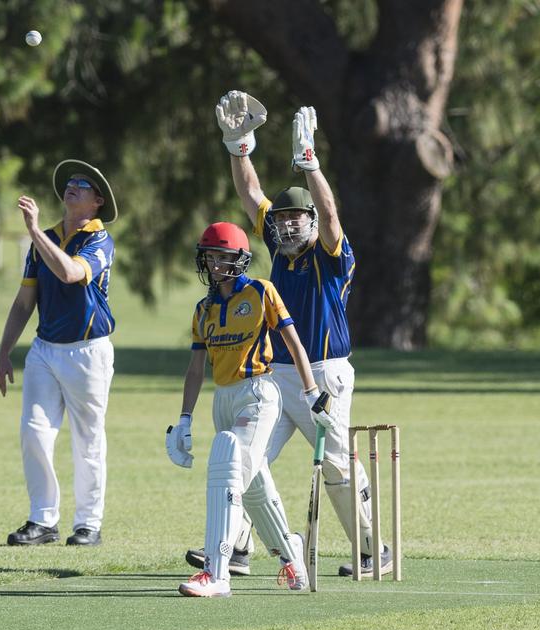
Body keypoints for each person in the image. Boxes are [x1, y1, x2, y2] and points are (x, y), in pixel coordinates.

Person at [184, 91, 390, 578]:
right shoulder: (278, 250)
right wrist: (239, 148)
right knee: (248, 457)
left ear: (312, 223)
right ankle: (235, 548)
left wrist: (310, 166)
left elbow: (332, 214)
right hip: (274, 375)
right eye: (281, 220)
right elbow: (251, 194)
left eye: (297, 218)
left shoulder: (331, 255)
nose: (288, 225)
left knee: (338, 467)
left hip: (325, 374)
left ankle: (371, 549)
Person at [167, 222, 334, 597]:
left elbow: (294, 343)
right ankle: (292, 556)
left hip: (259, 394)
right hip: (222, 398)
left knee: (227, 458)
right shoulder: (204, 309)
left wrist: (311, 394)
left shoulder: (262, 292)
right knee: (255, 486)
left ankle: (216, 572)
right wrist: (184, 420)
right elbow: (196, 369)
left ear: (239, 260)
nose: (214, 265)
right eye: (209, 257)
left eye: (223, 257)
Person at [0, 160, 119, 547]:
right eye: (70, 182)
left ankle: (88, 524)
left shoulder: (101, 241)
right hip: (44, 351)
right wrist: (4, 352)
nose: (73, 186)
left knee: (88, 439)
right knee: (34, 432)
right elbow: (23, 302)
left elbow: (69, 273)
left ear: (97, 201)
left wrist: (33, 231)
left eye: (83, 184)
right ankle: (43, 520)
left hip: (88, 352)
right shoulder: (44, 240)